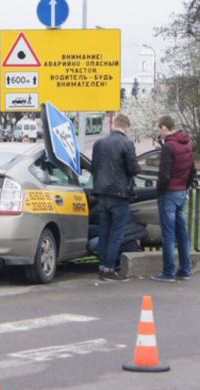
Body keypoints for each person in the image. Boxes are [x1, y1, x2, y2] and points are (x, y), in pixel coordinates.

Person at [91, 113, 141, 281]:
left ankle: (101, 266)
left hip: (101, 193)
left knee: (104, 231)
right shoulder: (126, 143)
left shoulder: (99, 143)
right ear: (126, 127)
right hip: (119, 194)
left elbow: (94, 167)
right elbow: (133, 169)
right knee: (116, 233)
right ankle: (110, 269)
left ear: (114, 125)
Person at [151, 116, 197, 282]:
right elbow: (193, 170)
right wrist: (185, 187)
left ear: (164, 127)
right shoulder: (188, 144)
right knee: (182, 233)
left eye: (158, 128)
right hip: (181, 192)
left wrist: (160, 191)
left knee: (168, 234)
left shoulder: (168, 147)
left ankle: (168, 272)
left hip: (168, 193)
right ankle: (185, 269)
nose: (159, 132)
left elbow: (164, 175)